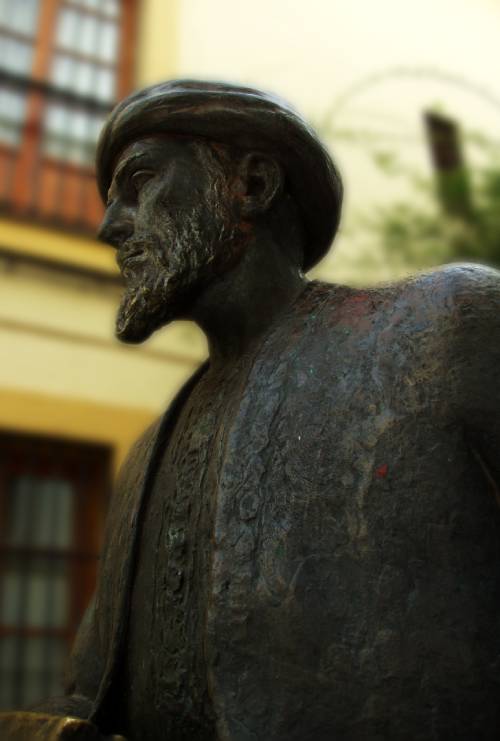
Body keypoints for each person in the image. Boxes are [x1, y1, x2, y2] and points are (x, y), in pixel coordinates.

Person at [2, 79, 499, 740]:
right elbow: (95, 688)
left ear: (254, 184)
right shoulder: (147, 453)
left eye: (140, 183)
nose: (108, 227)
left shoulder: (442, 331)